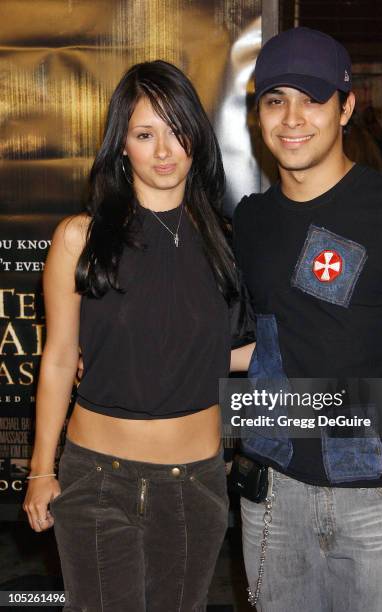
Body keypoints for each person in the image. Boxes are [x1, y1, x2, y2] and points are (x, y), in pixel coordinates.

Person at [232, 28, 382, 612]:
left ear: (347, 106)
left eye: (312, 99)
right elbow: (243, 346)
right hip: (273, 497)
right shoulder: (250, 221)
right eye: (275, 99)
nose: (293, 118)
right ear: (257, 113)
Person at [23, 60, 239, 612]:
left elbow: (235, 352)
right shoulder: (79, 238)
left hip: (196, 484)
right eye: (145, 134)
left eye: (176, 131)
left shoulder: (228, 241)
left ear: (197, 136)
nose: (163, 150)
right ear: (122, 144)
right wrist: (42, 470)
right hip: (96, 481)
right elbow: (57, 360)